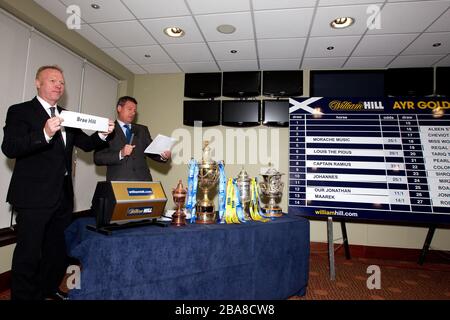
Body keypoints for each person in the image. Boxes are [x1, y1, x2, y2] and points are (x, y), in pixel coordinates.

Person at [1, 65, 114, 300]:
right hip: (33, 197)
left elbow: (85, 144)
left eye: (61, 82)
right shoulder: (20, 111)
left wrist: (103, 134)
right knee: (29, 253)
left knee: (56, 251)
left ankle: (47, 291)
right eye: (52, 80)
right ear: (37, 83)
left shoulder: (67, 115)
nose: (58, 85)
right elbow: (10, 148)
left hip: (62, 197)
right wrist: (43, 133)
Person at [94, 96, 171, 181]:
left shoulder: (142, 130)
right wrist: (120, 154)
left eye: (134, 111)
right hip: (119, 183)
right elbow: (98, 158)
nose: (133, 113)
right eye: (129, 109)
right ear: (119, 108)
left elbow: (151, 151)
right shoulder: (106, 129)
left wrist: (163, 156)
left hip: (143, 182)